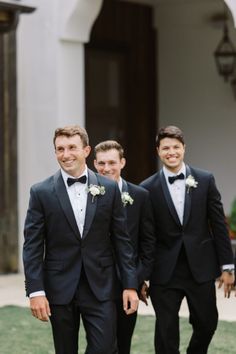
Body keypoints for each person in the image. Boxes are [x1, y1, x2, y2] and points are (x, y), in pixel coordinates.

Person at [23, 125, 139, 354]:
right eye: (60, 149)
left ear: (86, 150)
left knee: (105, 348)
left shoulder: (108, 188)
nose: (65, 155)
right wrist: (36, 291)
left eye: (72, 148)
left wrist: (130, 284)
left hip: (101, 285)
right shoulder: (40, 192)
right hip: (59, 286)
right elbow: (33, 245)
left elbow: (121, 241)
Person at [140, 125, 235, 354]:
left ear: (184, 148)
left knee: (207, 322)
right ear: (158, 151)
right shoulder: (147, 188)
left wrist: (228, 266)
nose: (171, 152)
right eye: (166, 148)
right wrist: (141, 276)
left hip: (200, 268)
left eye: (176, 147)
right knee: (166, 332)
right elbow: (146, 237)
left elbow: (219, 226)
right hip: (164, 272)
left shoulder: (205, 179)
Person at [94, 140, 155, 354]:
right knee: (101, 343)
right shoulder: (87, 194)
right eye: (101, 163)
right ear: (94, 164)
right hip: (94, 283)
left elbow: (148, 243)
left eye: (112, 162)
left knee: (123, 343)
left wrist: (138, 279)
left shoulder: (140, 196)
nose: (106, 168)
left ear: (123, 162)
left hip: (128, 283)